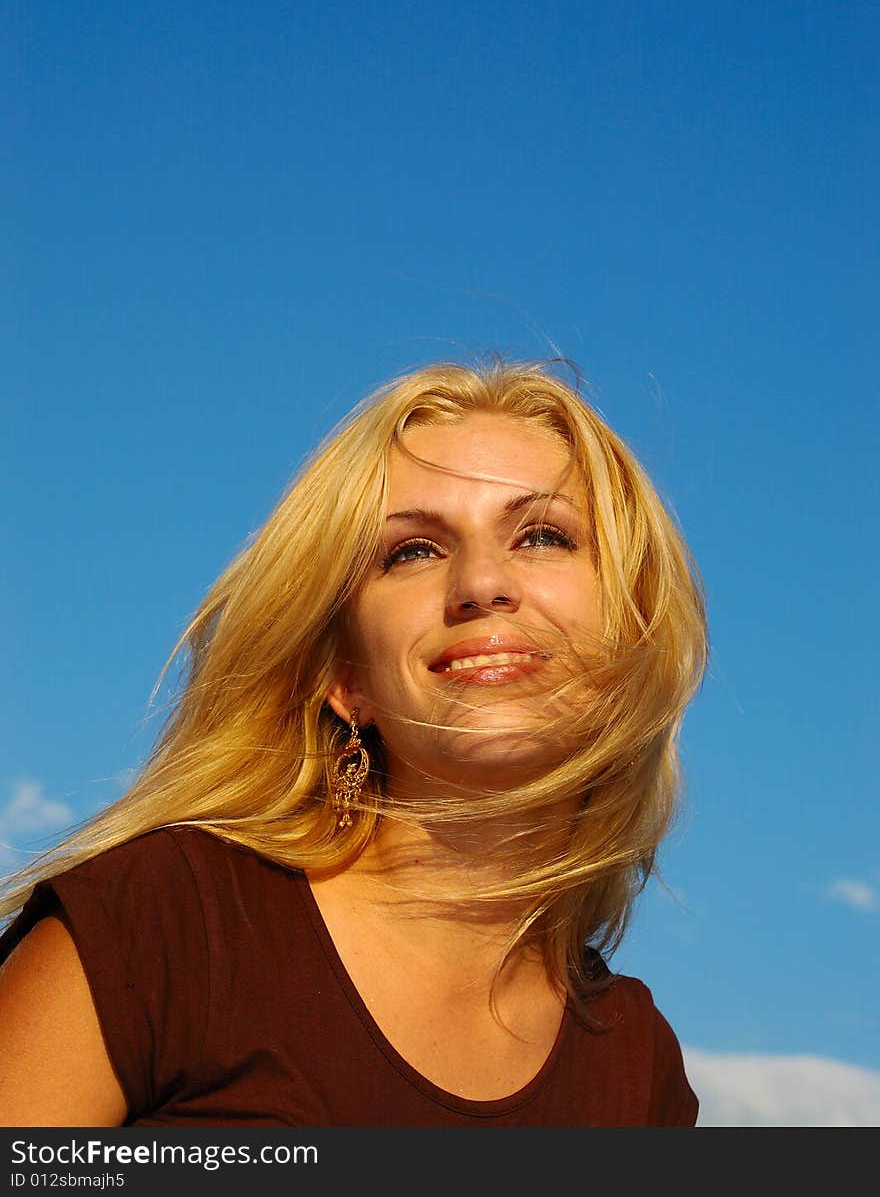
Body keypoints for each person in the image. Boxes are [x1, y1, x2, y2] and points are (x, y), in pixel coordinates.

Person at [0, 357, 707, 1127]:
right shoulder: (164, 925)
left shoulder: (636, 1065)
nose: (480, 582)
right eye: (412, 551)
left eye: (541, 535)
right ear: (346, 676)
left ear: (629, 637)